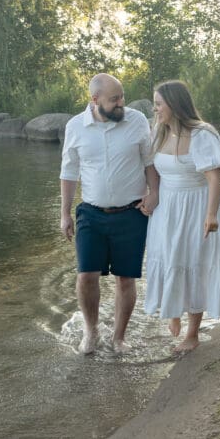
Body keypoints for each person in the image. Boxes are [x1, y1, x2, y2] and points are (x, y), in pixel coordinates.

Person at [60, 73, 159, 354]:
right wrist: (65, 213)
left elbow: (149, 162)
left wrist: (155, 194)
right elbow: (68, 172)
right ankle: (91, 332)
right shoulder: (75, 126)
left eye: (122, 97)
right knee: (86, 275)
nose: (121, 103)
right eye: (114, 99)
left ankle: (119, 337)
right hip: (91, 213)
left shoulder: (137, 120)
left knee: (126, 279)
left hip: (132, 213)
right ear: (95, 100)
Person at [143, 80, 220, 354]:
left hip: (197, 206)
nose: (155, 109)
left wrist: (211, 215)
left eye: (159, 104)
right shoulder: (159, 132)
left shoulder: (202, 134)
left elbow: (214, 178)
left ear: (175, 105)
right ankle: (173, 311)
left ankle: (192, 332)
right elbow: (150, 167)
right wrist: (150, 194)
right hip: (168, 207)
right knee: (168, 257)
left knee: (195, 263)